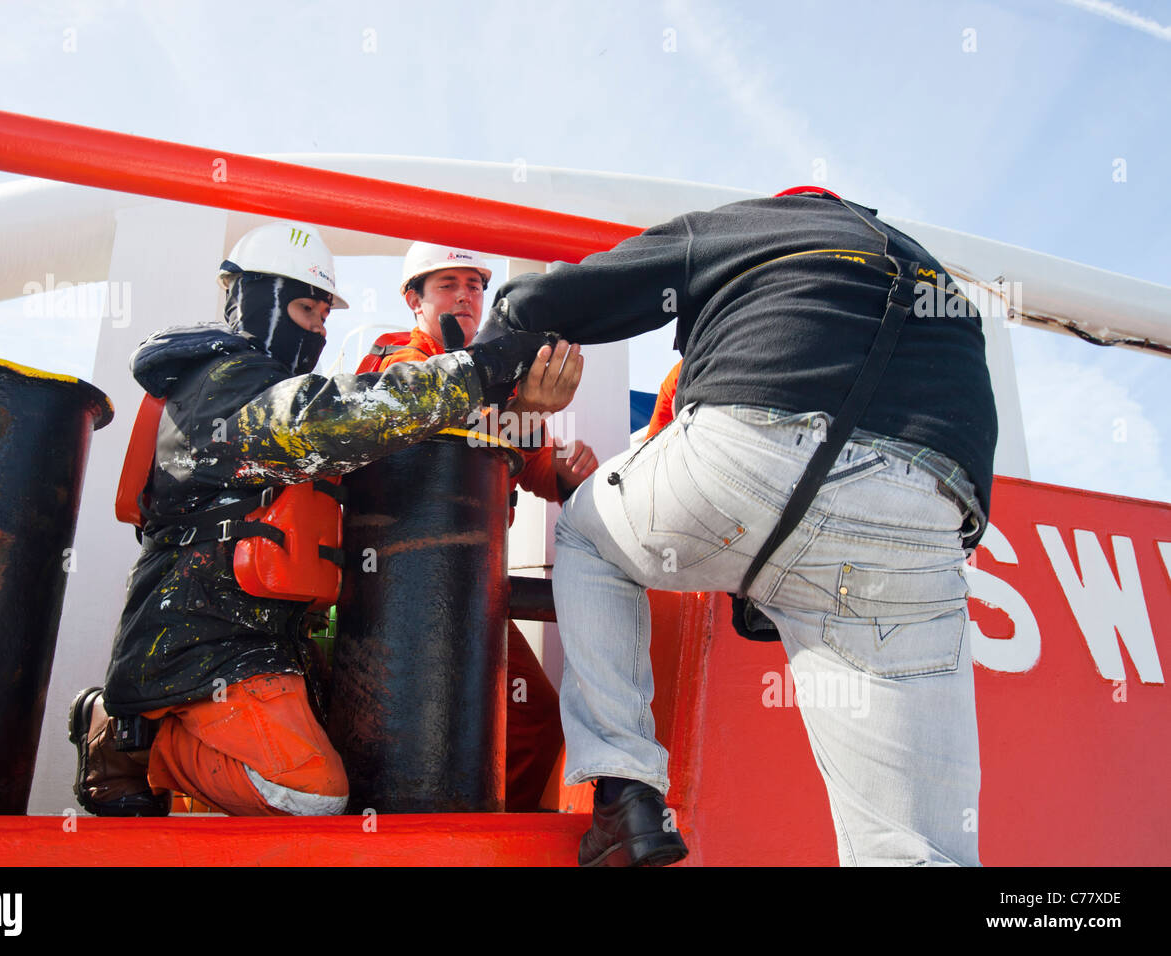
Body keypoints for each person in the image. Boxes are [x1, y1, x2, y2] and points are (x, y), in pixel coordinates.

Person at [488, 187, 997, 866]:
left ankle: (627, 793)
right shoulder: (945, 288)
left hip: (751, 454)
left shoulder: (750, 225)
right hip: (923, 518)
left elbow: (541, 302)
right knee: (917, 849)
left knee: (590, 534)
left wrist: (505, 392)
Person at [70, 221, 546, 817]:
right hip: (203, 643)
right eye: (304, 309)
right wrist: (479, 370)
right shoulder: (221, 384)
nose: (318, 329)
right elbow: (319, 422)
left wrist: (518, 413)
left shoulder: (271, 385)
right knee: (307, 796)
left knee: (373, 762)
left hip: (281, 643)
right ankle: (134, 735)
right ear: (252, 298)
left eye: (325, 318)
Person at [368, 242, 598, 811]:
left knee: (533, 724)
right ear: (413, 300)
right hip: (397, 590)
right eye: (447, 284)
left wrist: (567, 471)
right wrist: (528, 413)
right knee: (402, 740)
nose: (465, 296)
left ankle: (485, 842)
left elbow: (535, 470)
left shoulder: (502, 378)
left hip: (468, 586)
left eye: (474, 284)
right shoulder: (397, 361)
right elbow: (436, 426)